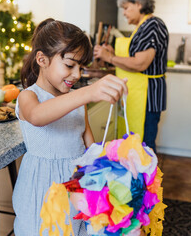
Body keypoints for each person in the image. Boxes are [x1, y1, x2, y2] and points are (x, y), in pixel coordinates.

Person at [12, 18, 128, 235]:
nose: (77, 75)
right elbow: (37, 116)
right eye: (69, 65)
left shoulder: (77, 101)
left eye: (81, 68)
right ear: (41, 59)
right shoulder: (28, 96)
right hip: (42, 193)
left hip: (76, 189)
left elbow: (90, 149)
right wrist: (88, 93)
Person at [93, 0, 168, 153]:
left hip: (148, 96)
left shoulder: (152, 25)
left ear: (138, 4)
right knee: (133, 146)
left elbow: (140, 63)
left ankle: (147, 177)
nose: (124, 13)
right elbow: (134, 56)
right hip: (137, 95)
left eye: (126, 8)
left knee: (145, 147)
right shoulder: (142, 26)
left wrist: (110, 58)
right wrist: (113, 54)